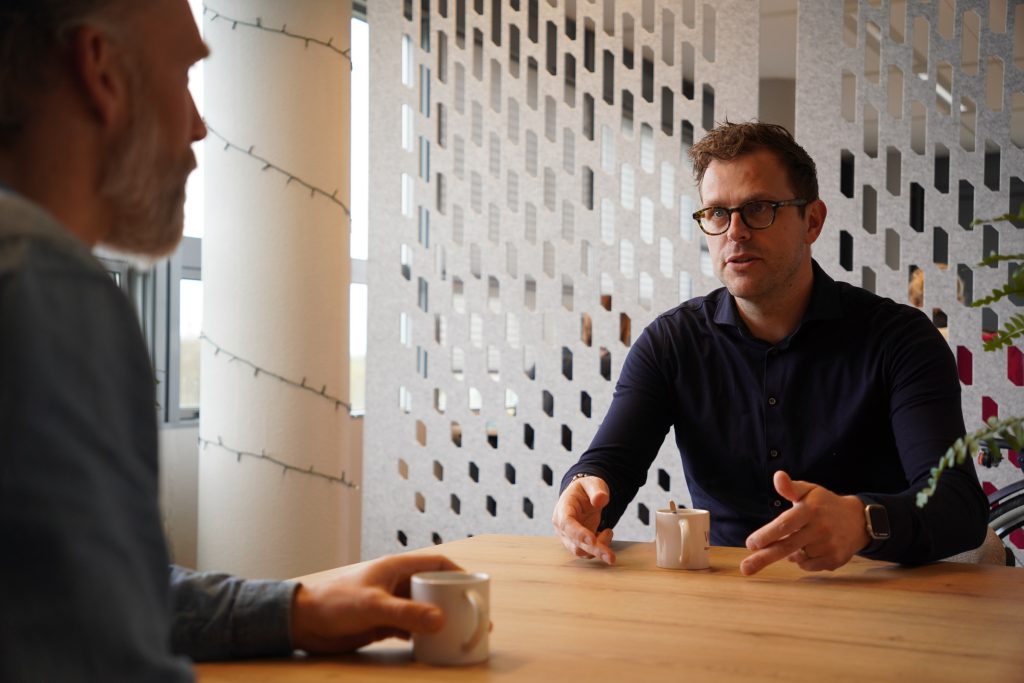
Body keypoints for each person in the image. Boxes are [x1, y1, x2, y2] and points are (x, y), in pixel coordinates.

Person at [0, 1, 458, 680]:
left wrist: (295, 608)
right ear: (101, 70)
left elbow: (75, 593)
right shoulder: (44, 286)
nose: (198, 125)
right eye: (184, 74)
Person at [552, 121, 988, 575]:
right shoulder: (671, 343)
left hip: (868, 594)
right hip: (724, 596)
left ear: (812, 221)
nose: (734, 232)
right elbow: (610, 463)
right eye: (717, 213)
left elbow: (958, 508)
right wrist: (584, 491)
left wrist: (863, 520)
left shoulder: (899, 339)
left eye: (758, 208)